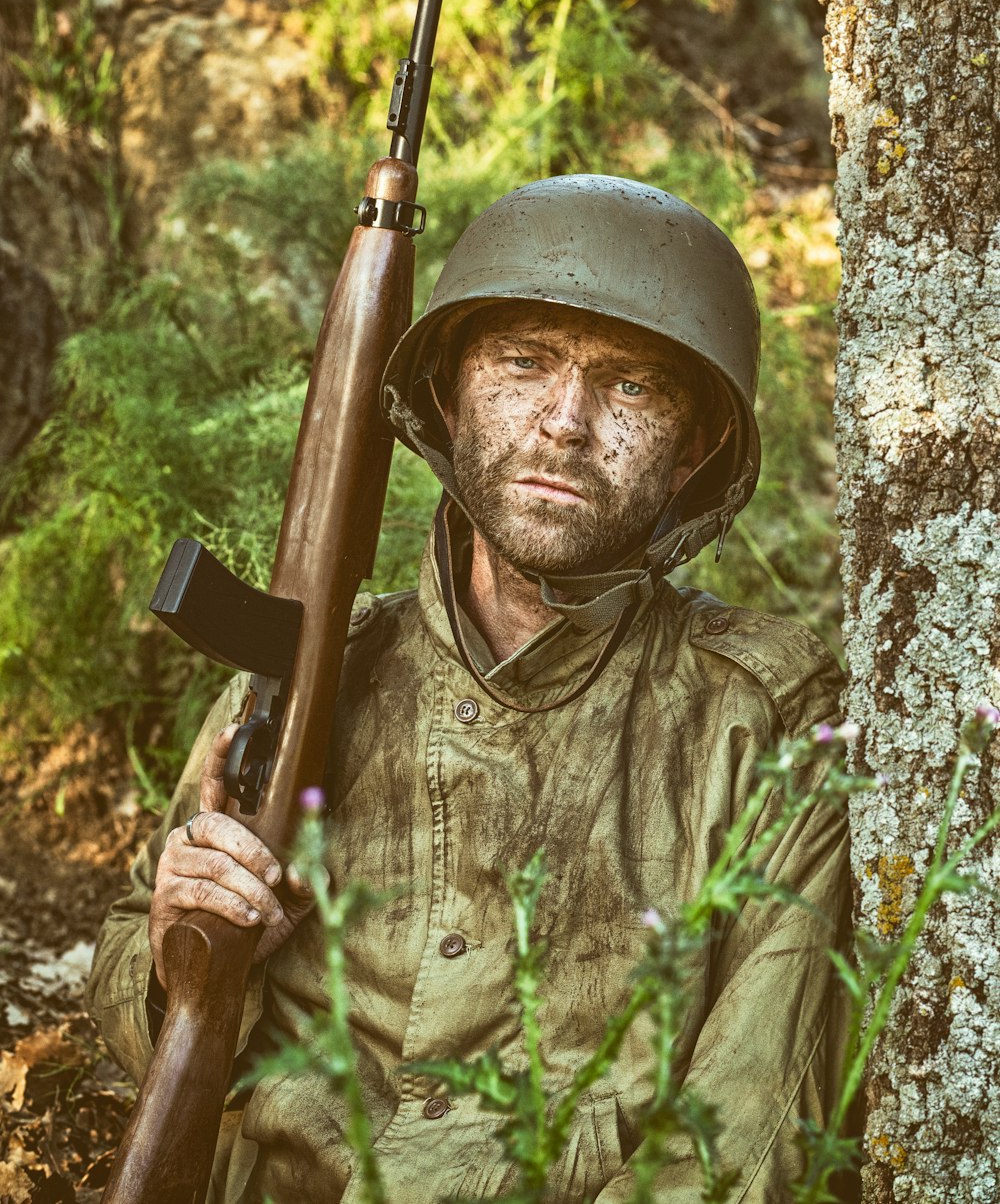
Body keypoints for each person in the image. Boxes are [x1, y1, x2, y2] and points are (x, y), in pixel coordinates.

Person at [88, 174, 850, 1204]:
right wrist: (185, 957)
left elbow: (745, 1146)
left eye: (632, 387)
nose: (563, 422)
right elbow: (139, 992)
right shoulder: (317, 666)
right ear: (450, 395)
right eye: (523, 362)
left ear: (695, 448)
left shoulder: (760, 721)